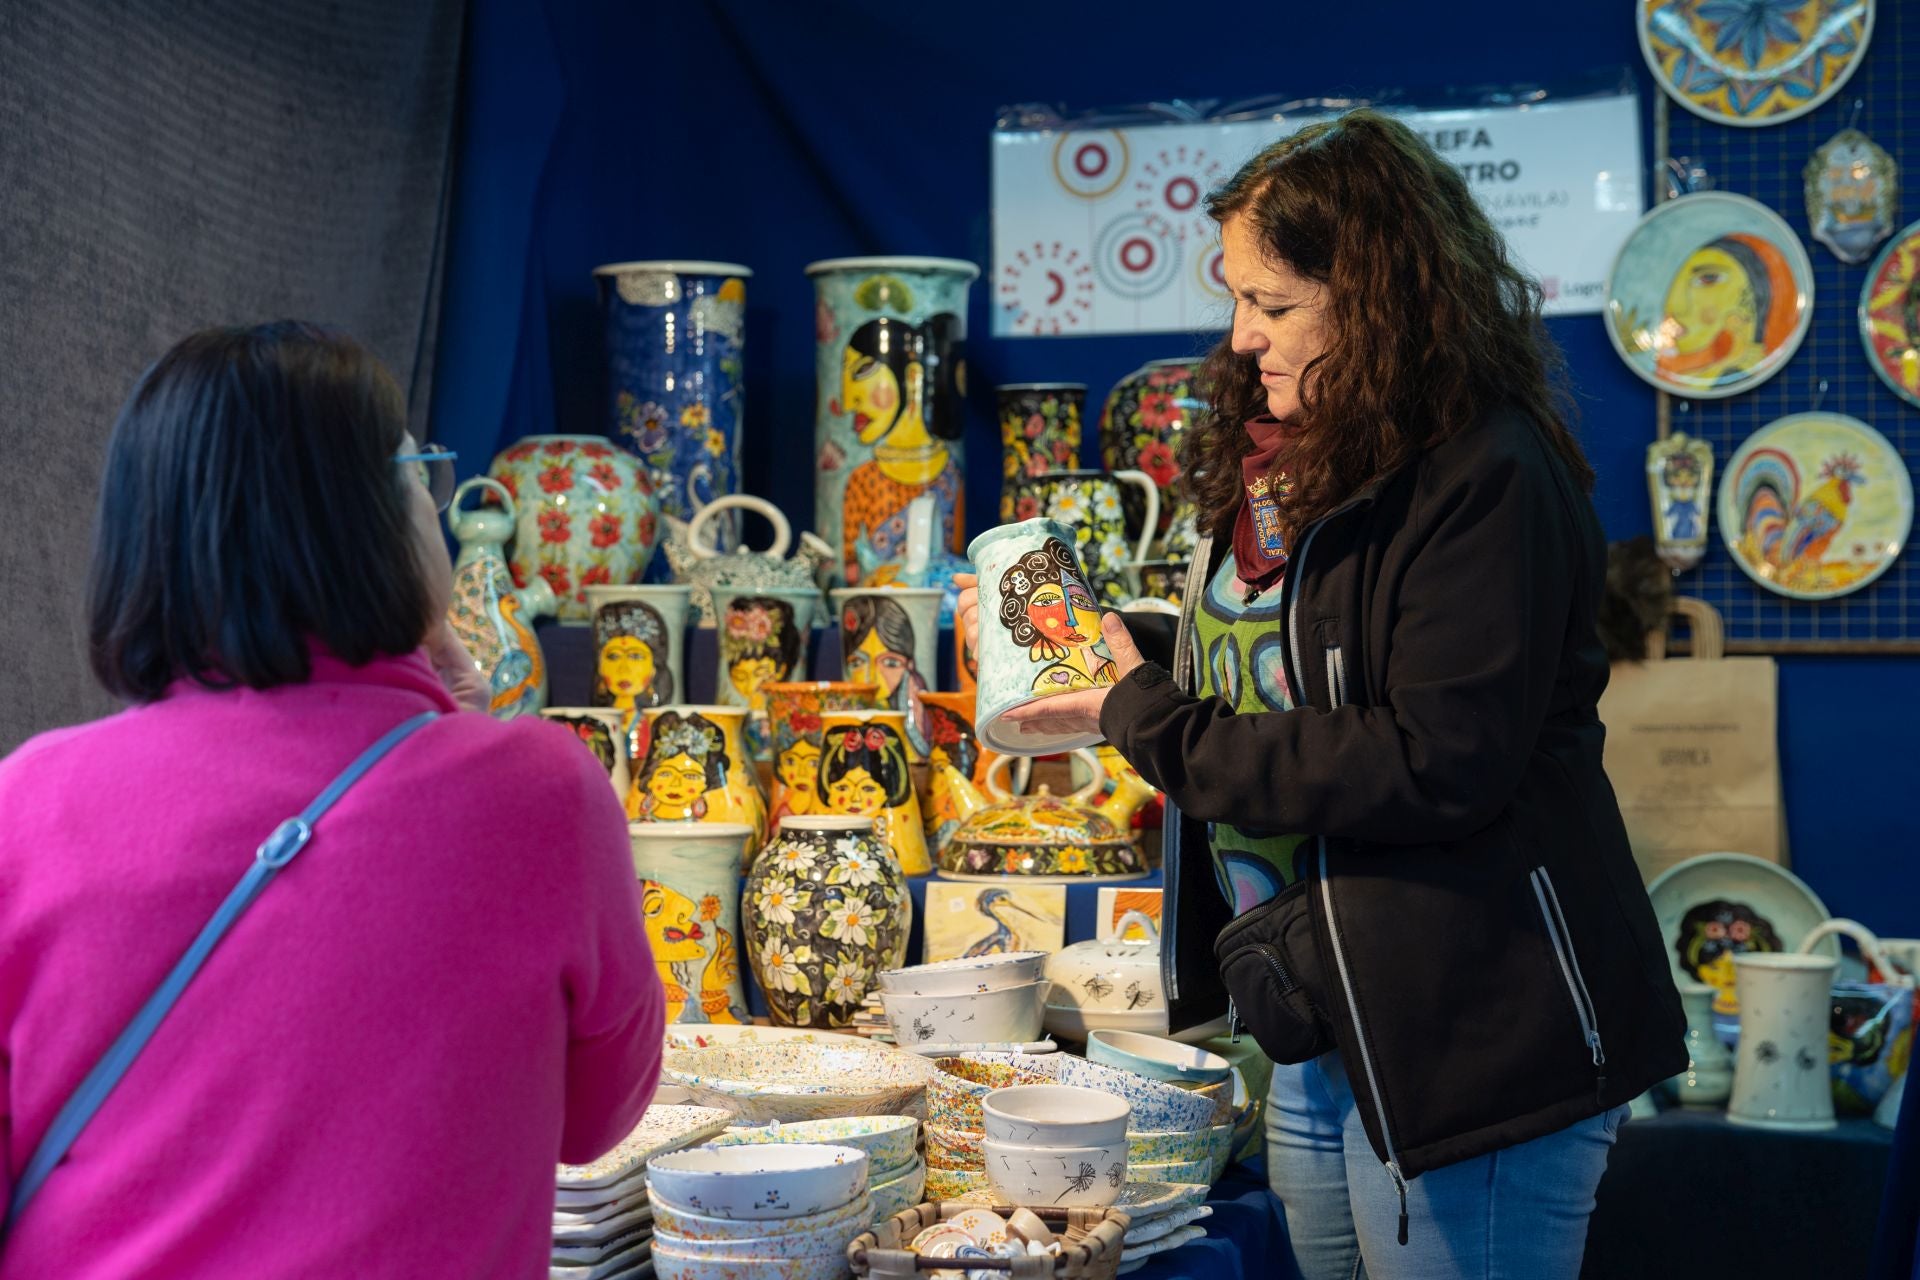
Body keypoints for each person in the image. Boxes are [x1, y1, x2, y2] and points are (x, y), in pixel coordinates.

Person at [959, 111, 1685, 1279]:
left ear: (1383, 295)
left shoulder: (1486, 473)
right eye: (1237, 298)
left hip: (1465, 1027)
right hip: (1326, 1014)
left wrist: (1144, 715)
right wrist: (1103, 652)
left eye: (1277, 305)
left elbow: (1429, 755)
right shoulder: (1301, 459)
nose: (1243, 336)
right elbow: (1291, 655)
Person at [0, 323, 664, 1277]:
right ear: (378, 521)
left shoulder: (27, 800)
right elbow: (598, 1115)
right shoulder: (544, 793)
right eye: (418, 474)